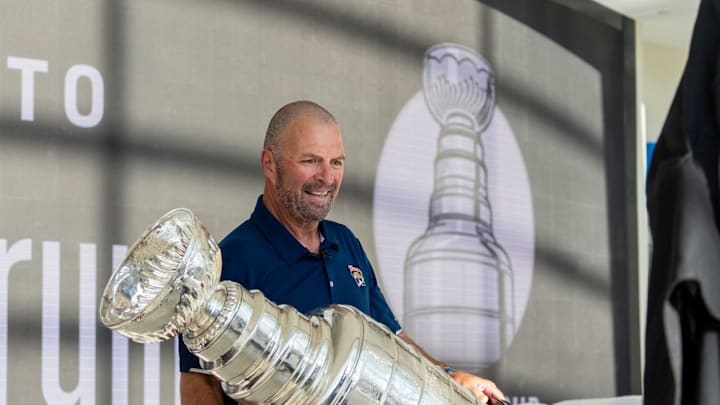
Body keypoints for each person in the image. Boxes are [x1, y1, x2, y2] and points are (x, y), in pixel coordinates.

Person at [179, 100, 506, 404]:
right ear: (270, 164)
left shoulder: (345, 243)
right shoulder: (231, 260)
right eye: (310, 161)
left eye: (336, 162)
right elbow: (198, 383)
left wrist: (451, 377)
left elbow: (393, 340)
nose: (327, 177)